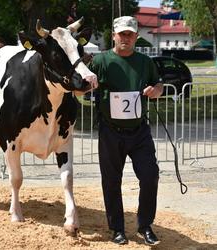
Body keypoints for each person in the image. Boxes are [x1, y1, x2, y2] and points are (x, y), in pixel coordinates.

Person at [89, 16, 163, 245]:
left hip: (139, 131)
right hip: (110, 131)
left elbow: (159, 85)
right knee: (111, 181)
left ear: (136, 36)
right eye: (122, 34)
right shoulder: (100, 61)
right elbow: (81, 87)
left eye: (130, 34)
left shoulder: (145, 61)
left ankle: (145, 225)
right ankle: (117, 229)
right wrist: (87, 81)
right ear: (113, 35)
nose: (126, 38)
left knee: (150, 176)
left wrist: (156, 90)